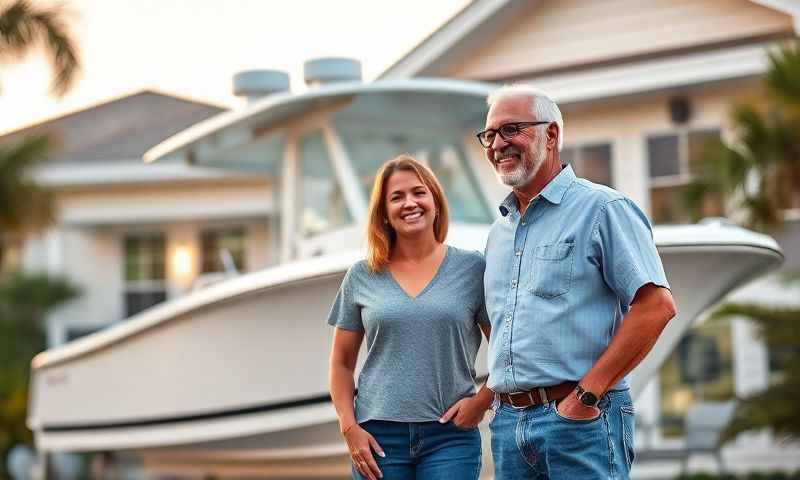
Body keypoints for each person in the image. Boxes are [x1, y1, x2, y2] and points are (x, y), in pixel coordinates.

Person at [477, 84, 677, 479]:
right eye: (490, 134)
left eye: (512, 129)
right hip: (507, 426)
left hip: (581, 420)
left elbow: (656, 307)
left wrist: (586, 396)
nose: (498, 143)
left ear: (550, 135)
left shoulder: (604, 209)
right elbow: (499, 323)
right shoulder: (497, 233)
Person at [327, 155, 493, 480]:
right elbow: (341, 363)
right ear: (384, 213)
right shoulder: (362, 275)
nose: (409, 203)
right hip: (378, 437)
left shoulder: (473, 269)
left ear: (435, 200)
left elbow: (505, 349)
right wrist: (349, 428)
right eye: (396, 197)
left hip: (450, 437)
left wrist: (482, 400)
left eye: (419, 192)